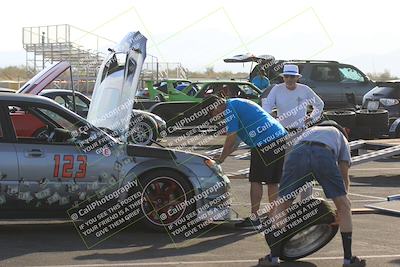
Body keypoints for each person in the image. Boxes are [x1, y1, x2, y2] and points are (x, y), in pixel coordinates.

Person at [258, 121, 366, 267]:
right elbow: (344, 173)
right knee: (344, 205)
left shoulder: (310, 131)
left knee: (283, 203)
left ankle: (273, 258)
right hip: (323, 153)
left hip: (298, 152)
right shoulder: (341, 137)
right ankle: (349, 260)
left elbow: (292, 156)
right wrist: (341, 207)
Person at [206, 95, 288, 229]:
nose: (215, 116)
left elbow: (231, 140)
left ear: (216, 106)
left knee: (255, 180)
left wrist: (220, 160)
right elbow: (236, 143)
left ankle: (255, 219)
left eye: (213, 113)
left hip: (264, 141)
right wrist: (221, 157)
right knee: (272, 181)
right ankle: (273, 218)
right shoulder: (235, 104)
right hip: (278, 136)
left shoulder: (230, 110)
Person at [262, 64, 324, 199]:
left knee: (305, 166)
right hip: (283, 133)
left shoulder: (305, 90)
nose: (289, 79)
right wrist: (270, 117)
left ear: (297, 78)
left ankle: (306, 202)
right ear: (283, 77)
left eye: (292, 77)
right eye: (286, 76)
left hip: (301, 132)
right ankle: (285, 201)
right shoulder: (277, 89)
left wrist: (312, 117)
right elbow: (266, 105)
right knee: (285, 168)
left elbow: (319, 104)